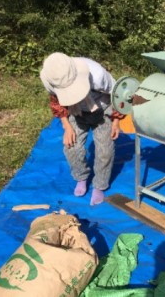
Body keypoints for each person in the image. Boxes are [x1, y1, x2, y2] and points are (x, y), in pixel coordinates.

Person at [40, 52, 124, 206]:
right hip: (76, 111)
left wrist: (116, 121)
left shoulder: (97, 75)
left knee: (105, 150)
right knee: (70, 147)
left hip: (102, 109)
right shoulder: (51, 79)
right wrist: (67, 127)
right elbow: (57, 103)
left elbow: (118, 95)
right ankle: (81, 177)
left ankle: (100, 184)